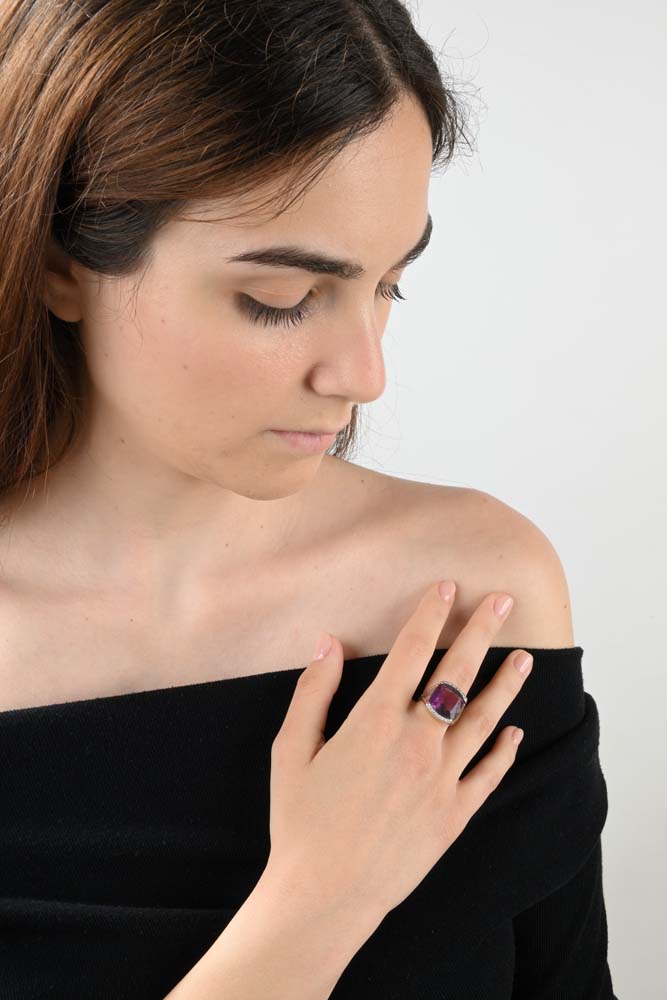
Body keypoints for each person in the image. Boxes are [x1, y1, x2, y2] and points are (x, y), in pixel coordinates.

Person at [0, 1, 617, 997]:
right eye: (280, 299)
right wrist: (319, 902)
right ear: (58, 265)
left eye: (388, 286)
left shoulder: (473, 597)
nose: (364, 375)